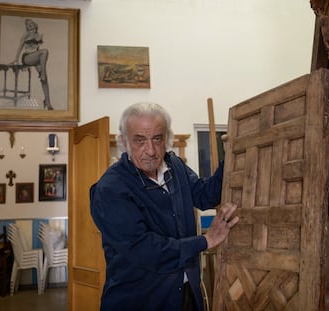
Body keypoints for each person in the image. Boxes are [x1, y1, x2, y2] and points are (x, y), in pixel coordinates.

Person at [90, 102, 239, 311]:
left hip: (186, 296)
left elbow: (206, 195)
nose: (150, 151)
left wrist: (229, 156)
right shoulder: (110, 189)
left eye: (157, 139)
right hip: (140, 302)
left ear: (166, 139)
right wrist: (207, 240)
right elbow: (145, 251)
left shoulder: (174, 166)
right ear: (124, 141)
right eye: (140, 140)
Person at [10, 18, 53, 110]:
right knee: (45, 51)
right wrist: (16, 59)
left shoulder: (39, 35)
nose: (29, 25)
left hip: (35, 58)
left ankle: (48, 102)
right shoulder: (26, 34)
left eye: (30, 24)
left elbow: (37, 50)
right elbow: (20, 47)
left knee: (44, 79)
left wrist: (39, 65)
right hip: (27, 57)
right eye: (27, 24)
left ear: (35, 25)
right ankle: (43, 74)